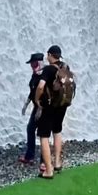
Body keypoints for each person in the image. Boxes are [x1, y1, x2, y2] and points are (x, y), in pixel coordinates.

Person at [35, 45, 75, 178]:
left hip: (49, 106)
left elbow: (41, 87)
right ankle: (57, 162)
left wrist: (36, 99)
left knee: (44, 136)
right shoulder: (65, 67)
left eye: (48, 55)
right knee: (57, 131)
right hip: (62, 105)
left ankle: (48, 170)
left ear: (50, 55)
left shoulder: (48, 69)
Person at [19, 53, 44, 165]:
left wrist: (40, 108)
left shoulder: (44, 75)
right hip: (36, 107)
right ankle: (30, 156)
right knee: (30, 129)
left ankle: (44, 161)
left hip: (44, 108)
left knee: (43, 133)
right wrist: (26, 104)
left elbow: (44, 93)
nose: (31, 66)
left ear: (38, 62)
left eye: (33, 63)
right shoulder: (35, 75)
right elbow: (33, 91)